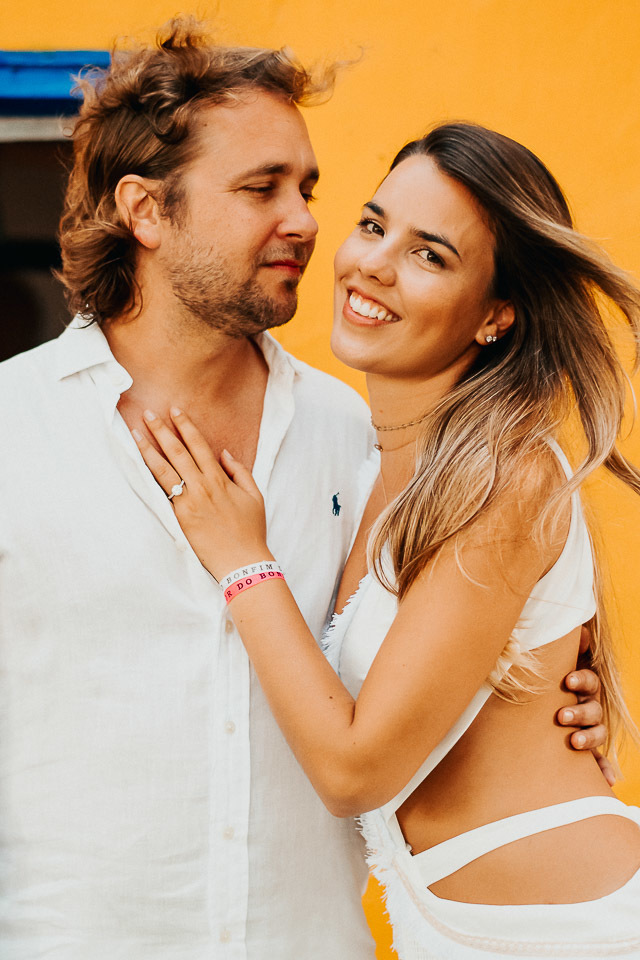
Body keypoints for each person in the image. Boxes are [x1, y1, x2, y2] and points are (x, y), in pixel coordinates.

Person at [0, 20, 605, 958]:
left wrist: (564, 690)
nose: (308, 223)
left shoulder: (362, 439)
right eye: (260, 189)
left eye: (310, 189)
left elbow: (443, 664)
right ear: (146, 212)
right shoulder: (13, 431)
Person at [135, 121, 640, 958]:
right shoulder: (363, 463)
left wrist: (240, 557)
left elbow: (354, 769)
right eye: (374, 226)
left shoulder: (507, 476)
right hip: (447, 930)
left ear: (496, 314)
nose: (372, 263)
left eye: (429, 255)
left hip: (568, 934)